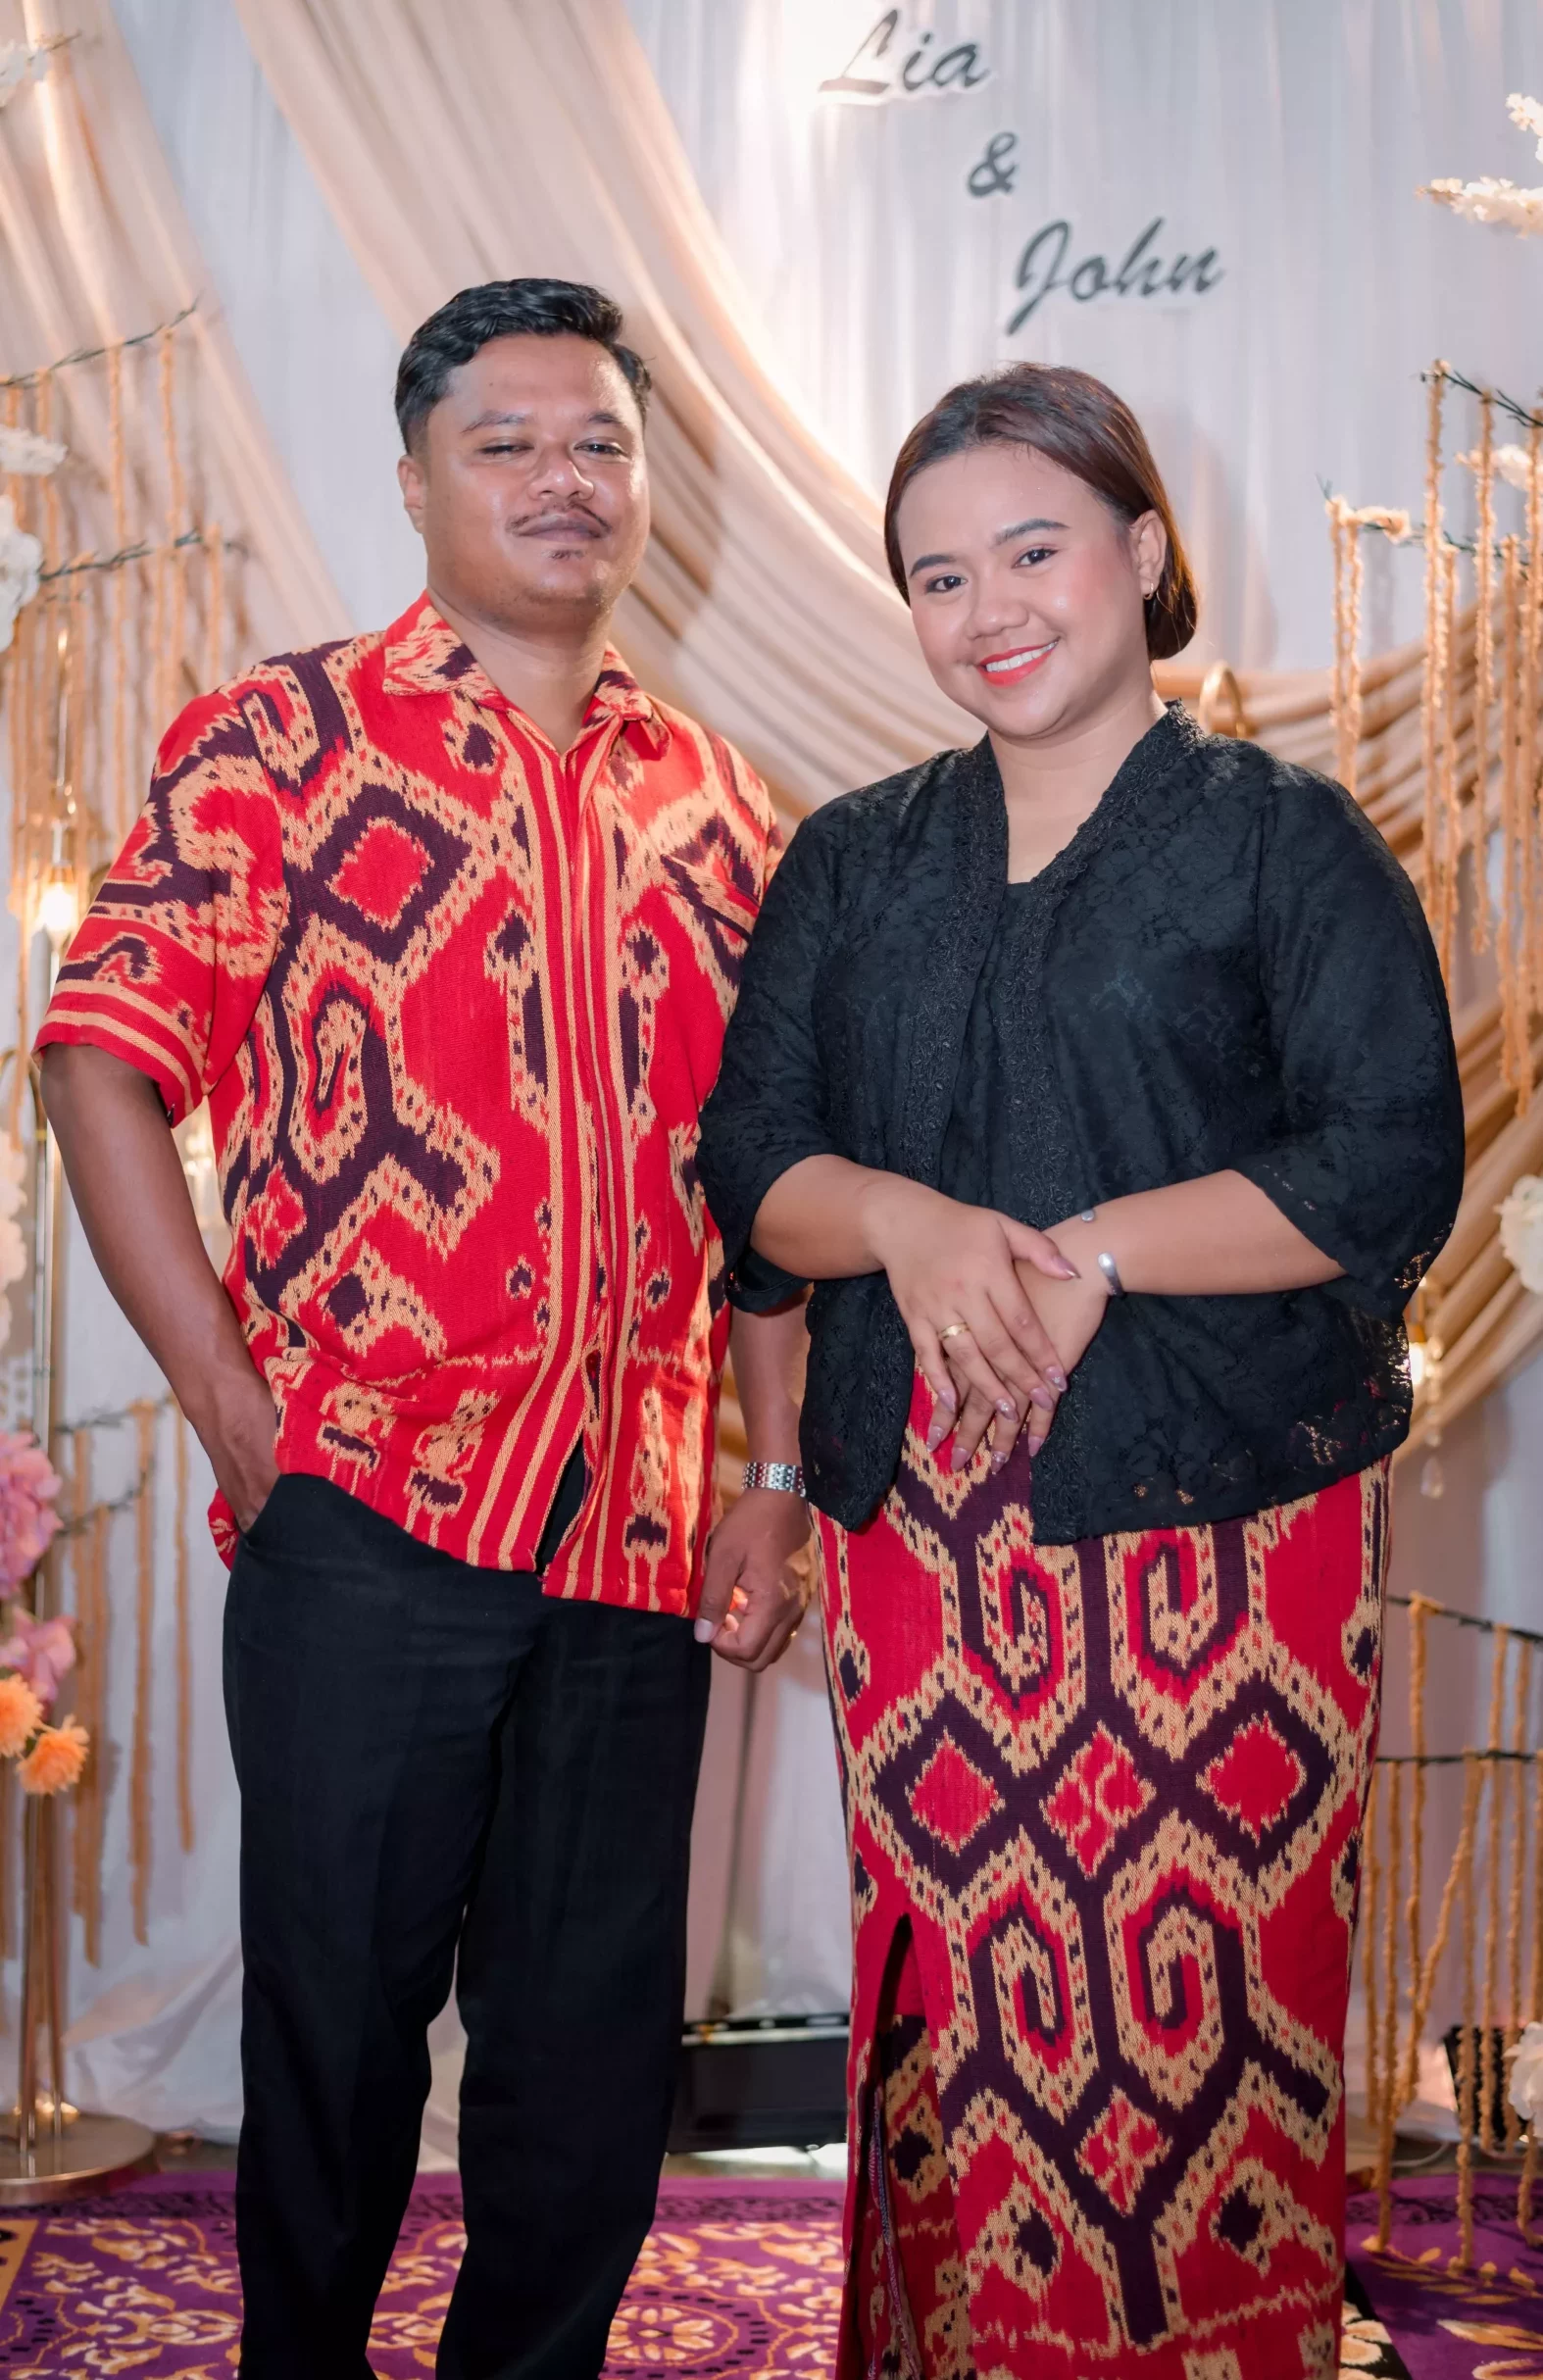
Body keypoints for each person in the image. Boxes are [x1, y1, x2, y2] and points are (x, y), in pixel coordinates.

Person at [37, 277, 811, 2380]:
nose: (565, 479)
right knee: (339, 2042)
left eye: (600, 442)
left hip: (638, 1537)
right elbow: (99, 1056)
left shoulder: (719, 802)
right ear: (413, 481)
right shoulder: (272, 742)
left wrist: (769, 1472)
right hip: (368, 1509)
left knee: (585, 2061)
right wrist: (231, 1407)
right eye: (508, 442)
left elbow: (771, 1189)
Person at [697, 363, 1465, 2380]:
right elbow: (753, 1162)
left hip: (1228, 1535)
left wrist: (1094, 1252)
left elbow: (1386, 1161)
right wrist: (908, 1221)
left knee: (1210, 2021)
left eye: (1030, 549)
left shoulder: (1284, 841)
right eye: (938, 576)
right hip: (921, 1548)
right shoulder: (853, 857)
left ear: (1139, 548)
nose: (989, 610)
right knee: (957, 2012)